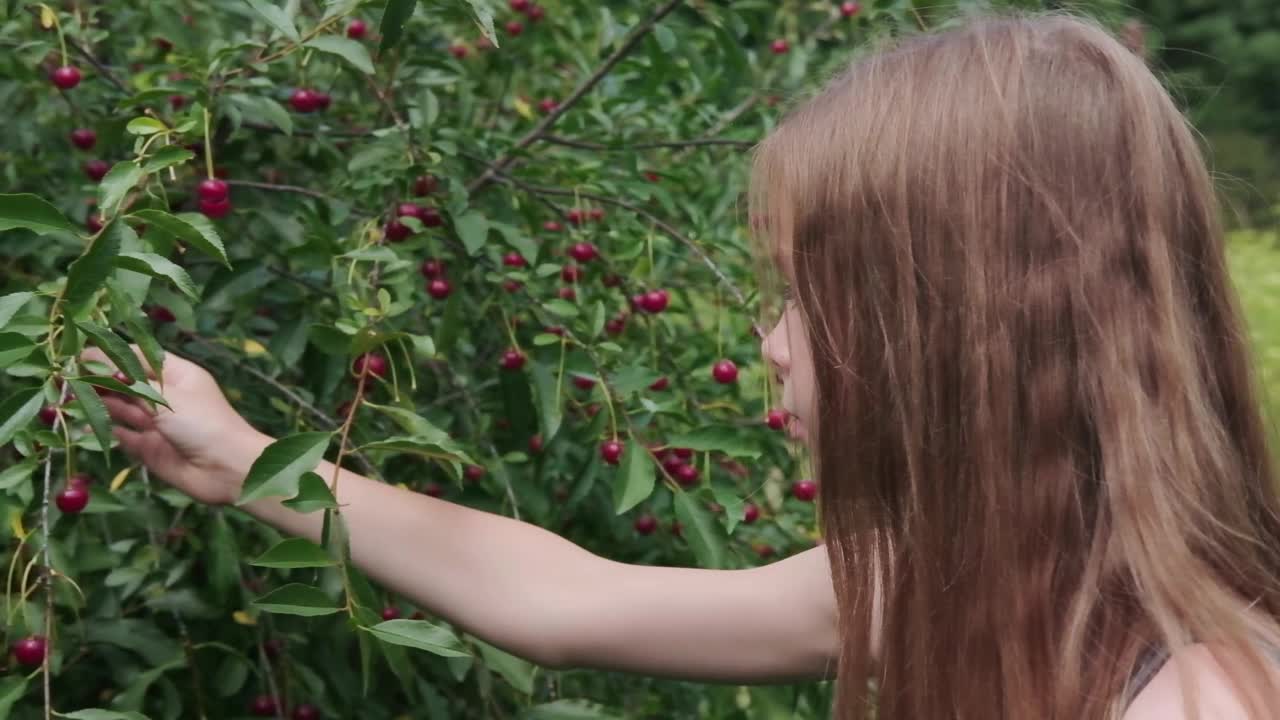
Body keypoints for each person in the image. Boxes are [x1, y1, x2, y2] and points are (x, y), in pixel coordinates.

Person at [79, 10, 1280, 720]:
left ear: (949, 333)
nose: (767, 342)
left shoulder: (1200, 700)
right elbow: (561, 600)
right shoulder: (968, 576)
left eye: (807, 299)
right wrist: (245, 462)